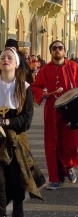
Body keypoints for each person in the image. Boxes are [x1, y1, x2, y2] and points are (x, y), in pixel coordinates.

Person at [30, 40, 78, 190]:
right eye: (54, 48)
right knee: (52, 145)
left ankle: (69, 166)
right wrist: (42, 94)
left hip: (71, 110)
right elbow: (35, 86)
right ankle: (55, 178)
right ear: (51, 51)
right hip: (52, 110)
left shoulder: (73, 67)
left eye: (60, 48)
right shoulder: (45, 69)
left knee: (69, 143)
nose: (57, 50)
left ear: (64, 51)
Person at [0, 47, 45, 216]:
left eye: (9, 58)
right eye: (3, 57)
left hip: (16, 142)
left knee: (15, 185)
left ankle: (18, 211)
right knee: (0, 184)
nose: (5, 59)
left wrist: (7, 121)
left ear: (16, 64)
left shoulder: (24, 88)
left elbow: (26, 120)